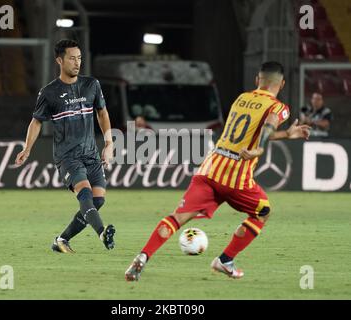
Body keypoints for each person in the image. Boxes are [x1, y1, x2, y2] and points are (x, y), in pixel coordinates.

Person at [125, 61, 311, 281]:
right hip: (236, 178)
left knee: (177, 218)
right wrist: (260, 147)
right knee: (263, 212)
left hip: (209, 171)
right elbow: (269, 125)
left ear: (256, 81)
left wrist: (286, 135)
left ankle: (142, 257)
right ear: (282, 84)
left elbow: (255, 131)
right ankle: (225, 260)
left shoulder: (241, 99)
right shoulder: (279, 107)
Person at [15, 39, 116, 253]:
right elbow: (36, 121)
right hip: (67, 156)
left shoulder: (92, 85)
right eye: (72, 58)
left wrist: (109, 143)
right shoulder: (49, 92)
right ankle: (102, 232)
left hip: (91, 154)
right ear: (59, 60)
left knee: (97, 201)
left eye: (79, 58)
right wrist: (27, 148)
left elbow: (102, 113)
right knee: (86, 195)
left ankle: (61, 240)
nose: (77, 62)